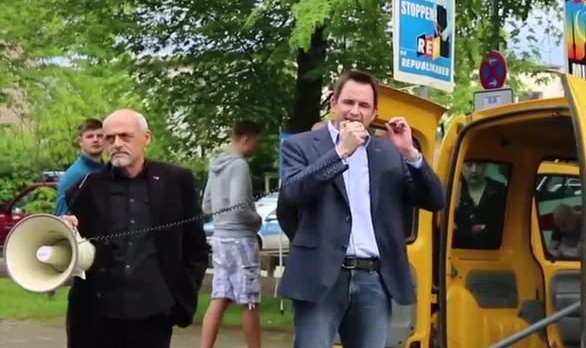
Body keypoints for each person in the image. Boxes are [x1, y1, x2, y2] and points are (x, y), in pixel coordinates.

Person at [277, 69, 445, 348]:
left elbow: (434, 200)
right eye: (348, 102)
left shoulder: (387, 152)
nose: (355, 111)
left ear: (374, 113)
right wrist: (340, 152)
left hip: (373, 280)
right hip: (319, 277)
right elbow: (291, 196)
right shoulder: (301, 145)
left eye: (364, 105)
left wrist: (411, 153)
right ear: (334, 104)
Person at [61, 109, 209, 348]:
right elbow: (72, 248)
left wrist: (181, 295)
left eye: (125, 136)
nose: (117, 144)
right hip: (96, 319)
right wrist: (66, 230)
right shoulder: (85, 187)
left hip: (154, 315)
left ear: (146, 138)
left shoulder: (176, 181)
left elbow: (197, 246)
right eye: (110, 138)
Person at [200, 120, 263, 348]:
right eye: (255, 142)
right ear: (246, 138)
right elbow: (238, 206)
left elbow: (207, 205)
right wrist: (256, 219)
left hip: (220, 237)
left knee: (220, 295)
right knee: (250, 300)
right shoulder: (239, 165)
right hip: (240, 239)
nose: (255, 147)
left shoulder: (216, 164)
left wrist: (221, 217)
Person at [452, 161, 508, 249]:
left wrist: (486, 229)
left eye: (478, 164)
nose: (474, 170)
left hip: (494, 252)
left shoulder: (500, 191)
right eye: (469, 165)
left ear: (485, 167)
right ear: (461, 167)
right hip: (459, 252)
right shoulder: (453, 191)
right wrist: (469, 231)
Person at [55, 118, 105, 216]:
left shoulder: (107, 170)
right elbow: (62, 217)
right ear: (80, 141)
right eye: (90, 136)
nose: (95, 140)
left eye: (100, 136)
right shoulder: (73, 176)